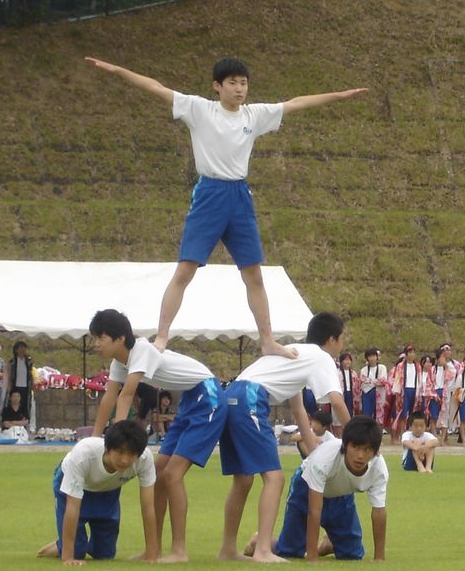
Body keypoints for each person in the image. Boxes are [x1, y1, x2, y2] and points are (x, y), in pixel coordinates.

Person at [83, 55, 366, 358]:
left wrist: (339, 96)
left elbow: (296, 103)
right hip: (210, 194)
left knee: (254, 275)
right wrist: (117, 69)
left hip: (239, 196)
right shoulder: (200, 109)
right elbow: (156, 87)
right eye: (232, 83)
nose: (239, 89)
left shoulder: (253, 115)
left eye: (243, 83)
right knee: (185, 270)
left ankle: (268, 340)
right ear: (217, 86)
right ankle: (162, 336)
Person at [89, 309, 225, 563]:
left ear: (119, 339)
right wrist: (96, 439)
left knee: (172, 475)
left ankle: (179, 551)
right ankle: (154, 550)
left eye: (100, 338)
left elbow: (127, 395)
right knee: (157, 473)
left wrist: (117, 443)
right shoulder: (119, 361)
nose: (95, 343)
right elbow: (110, 397)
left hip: (208, 396)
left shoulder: (141, 351)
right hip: (188, 399)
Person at [217, 311, 352, 563]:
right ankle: (263, 551)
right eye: (342, 339)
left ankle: (227, 550)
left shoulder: (296, 352)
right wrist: (358, 437)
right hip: (250, 399)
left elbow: (298, 408)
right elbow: (336, 401)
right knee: (275, 479)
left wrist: (314, 452)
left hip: (232, 394)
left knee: (243, 480)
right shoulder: (321, 358)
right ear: (332, 339)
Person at [256, 416, 387, 562]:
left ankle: (328, 544)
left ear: (376, 452)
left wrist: (379, 558)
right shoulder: (326, 457)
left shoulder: (379, 469)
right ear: (345, 445)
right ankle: (258, 542)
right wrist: (312, 557)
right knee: (290, 551)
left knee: (352, 554)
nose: (360, 456)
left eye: (367, 450)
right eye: (355, 448)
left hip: (341, 494)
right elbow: (314, 510)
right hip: (306, 488)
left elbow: (379, 511)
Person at [36, 420, 158, 566]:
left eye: (131, 454)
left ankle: (70, 542)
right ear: (108, 448)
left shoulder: (145, 459)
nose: (125, 460)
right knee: (76, 552)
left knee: (105, 555)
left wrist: (151, 555)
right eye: (120, 452)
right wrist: (68, 558)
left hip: (108, 490)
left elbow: (148, 507)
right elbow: (73, 506)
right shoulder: (83, 454)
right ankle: (64, 546)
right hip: (71, 487)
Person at [357, 348, 388, 423]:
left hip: (378, 393)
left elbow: (383, 381)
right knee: (366, 415)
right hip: (367, 393)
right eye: (370, 356)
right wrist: (375, 381)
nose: (372, 358)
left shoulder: (382, 368)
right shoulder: (363, 369)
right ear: (367, 358)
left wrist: (370, 381)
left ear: (377, 357)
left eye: (374, 356)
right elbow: (362, 381)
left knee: (379, 416)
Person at [8, 341, 34, 427]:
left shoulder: (28, 360)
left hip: (26, 387)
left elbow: (30, 373)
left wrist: (32, 382)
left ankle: (24, 424)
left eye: (24, 348)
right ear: (16, 350)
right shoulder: (13, 361)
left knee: (25, 405)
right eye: (20, 348)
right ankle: (14, 423)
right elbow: (10, 374)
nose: (23, 350)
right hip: (16, 386)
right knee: (15, 404)